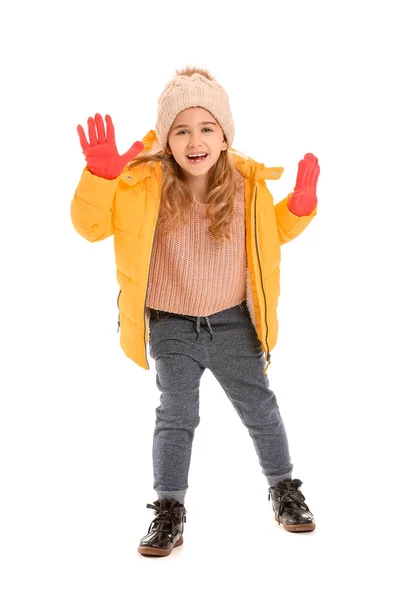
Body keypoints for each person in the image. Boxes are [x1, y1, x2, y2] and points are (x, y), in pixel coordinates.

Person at [71, 66, 320, 557]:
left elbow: (269, 235)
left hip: (232, 321)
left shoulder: (247, 185)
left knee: (261, 410)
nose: (195, 139)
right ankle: (169, 509)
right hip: (171, 324)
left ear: (224, 137)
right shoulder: (140, 184)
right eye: (181, 129)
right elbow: (91, 226)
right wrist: (101, 178)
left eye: (207, 127)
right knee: (176, 415)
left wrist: (298, 207)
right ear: (166, 140)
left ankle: (284, 489)